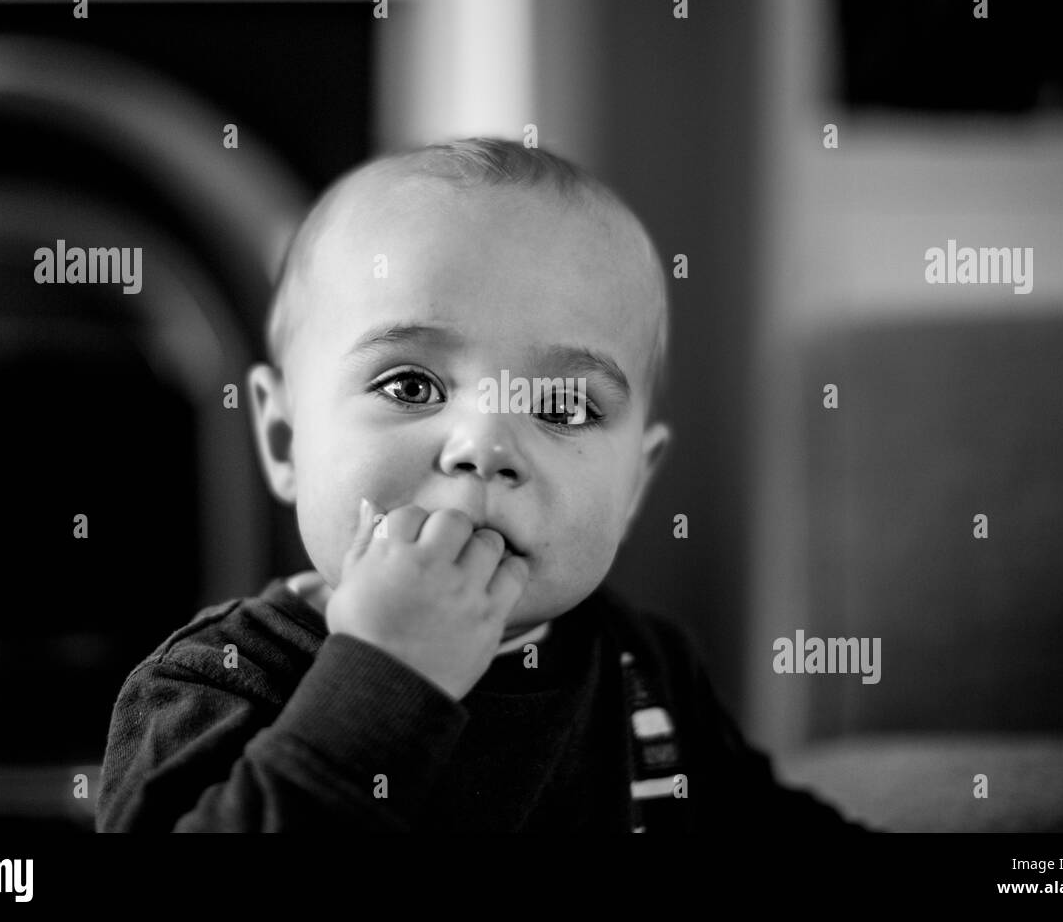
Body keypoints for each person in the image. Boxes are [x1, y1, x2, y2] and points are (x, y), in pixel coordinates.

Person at [96, 137, 867, 832]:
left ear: (635, 482)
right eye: (410, 385)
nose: (485, 447)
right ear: (283, 438)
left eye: (565, 405)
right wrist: (380, 682)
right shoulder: (220, 684)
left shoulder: (645, 669)